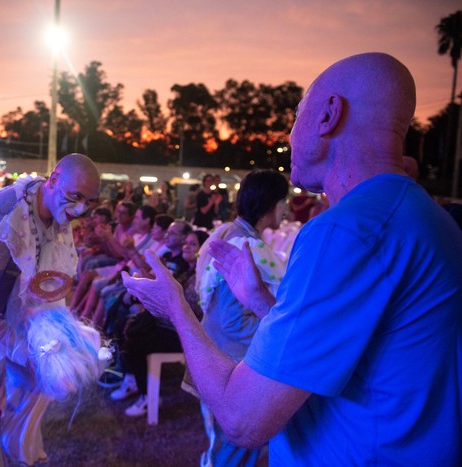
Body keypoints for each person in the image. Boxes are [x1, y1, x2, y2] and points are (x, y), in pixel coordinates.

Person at [122, 53, 462, 465]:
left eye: (298, 114)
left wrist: (175, 308)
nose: (289, 132)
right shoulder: (429, 218)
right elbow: (363, 346)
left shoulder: (347, 229)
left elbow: (242, 417)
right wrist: (261, 300)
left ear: (328, 115)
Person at [0, 153, 103, 466]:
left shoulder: (53, 205)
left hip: (16, 317)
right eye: (75, 197)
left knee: (21, 399)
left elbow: (47, 282)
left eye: (90, 202)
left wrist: (60, 338)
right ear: (53, 179)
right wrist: (22, 349)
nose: (81, 210)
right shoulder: (3, 218)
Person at [195, 169, 288, 466]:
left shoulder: (227, 233)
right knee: (236, 445)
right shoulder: (249, 247)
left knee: (224, 443)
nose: (286, 209)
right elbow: (232, 320)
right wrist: (275, 342)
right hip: (232, 361)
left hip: (212, 350)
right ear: (270, 203)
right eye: (283, 201)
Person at [113, 229, 208, 417]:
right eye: (186, 242)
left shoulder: (202, 276)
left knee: (135, 341)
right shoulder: (184, 268)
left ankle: (147, 397)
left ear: (202, 249)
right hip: (168, 323)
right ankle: (131, 378)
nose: (186, 247)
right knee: (123, 324)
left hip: (184, 333)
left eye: (193, 244)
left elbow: (189, 310)